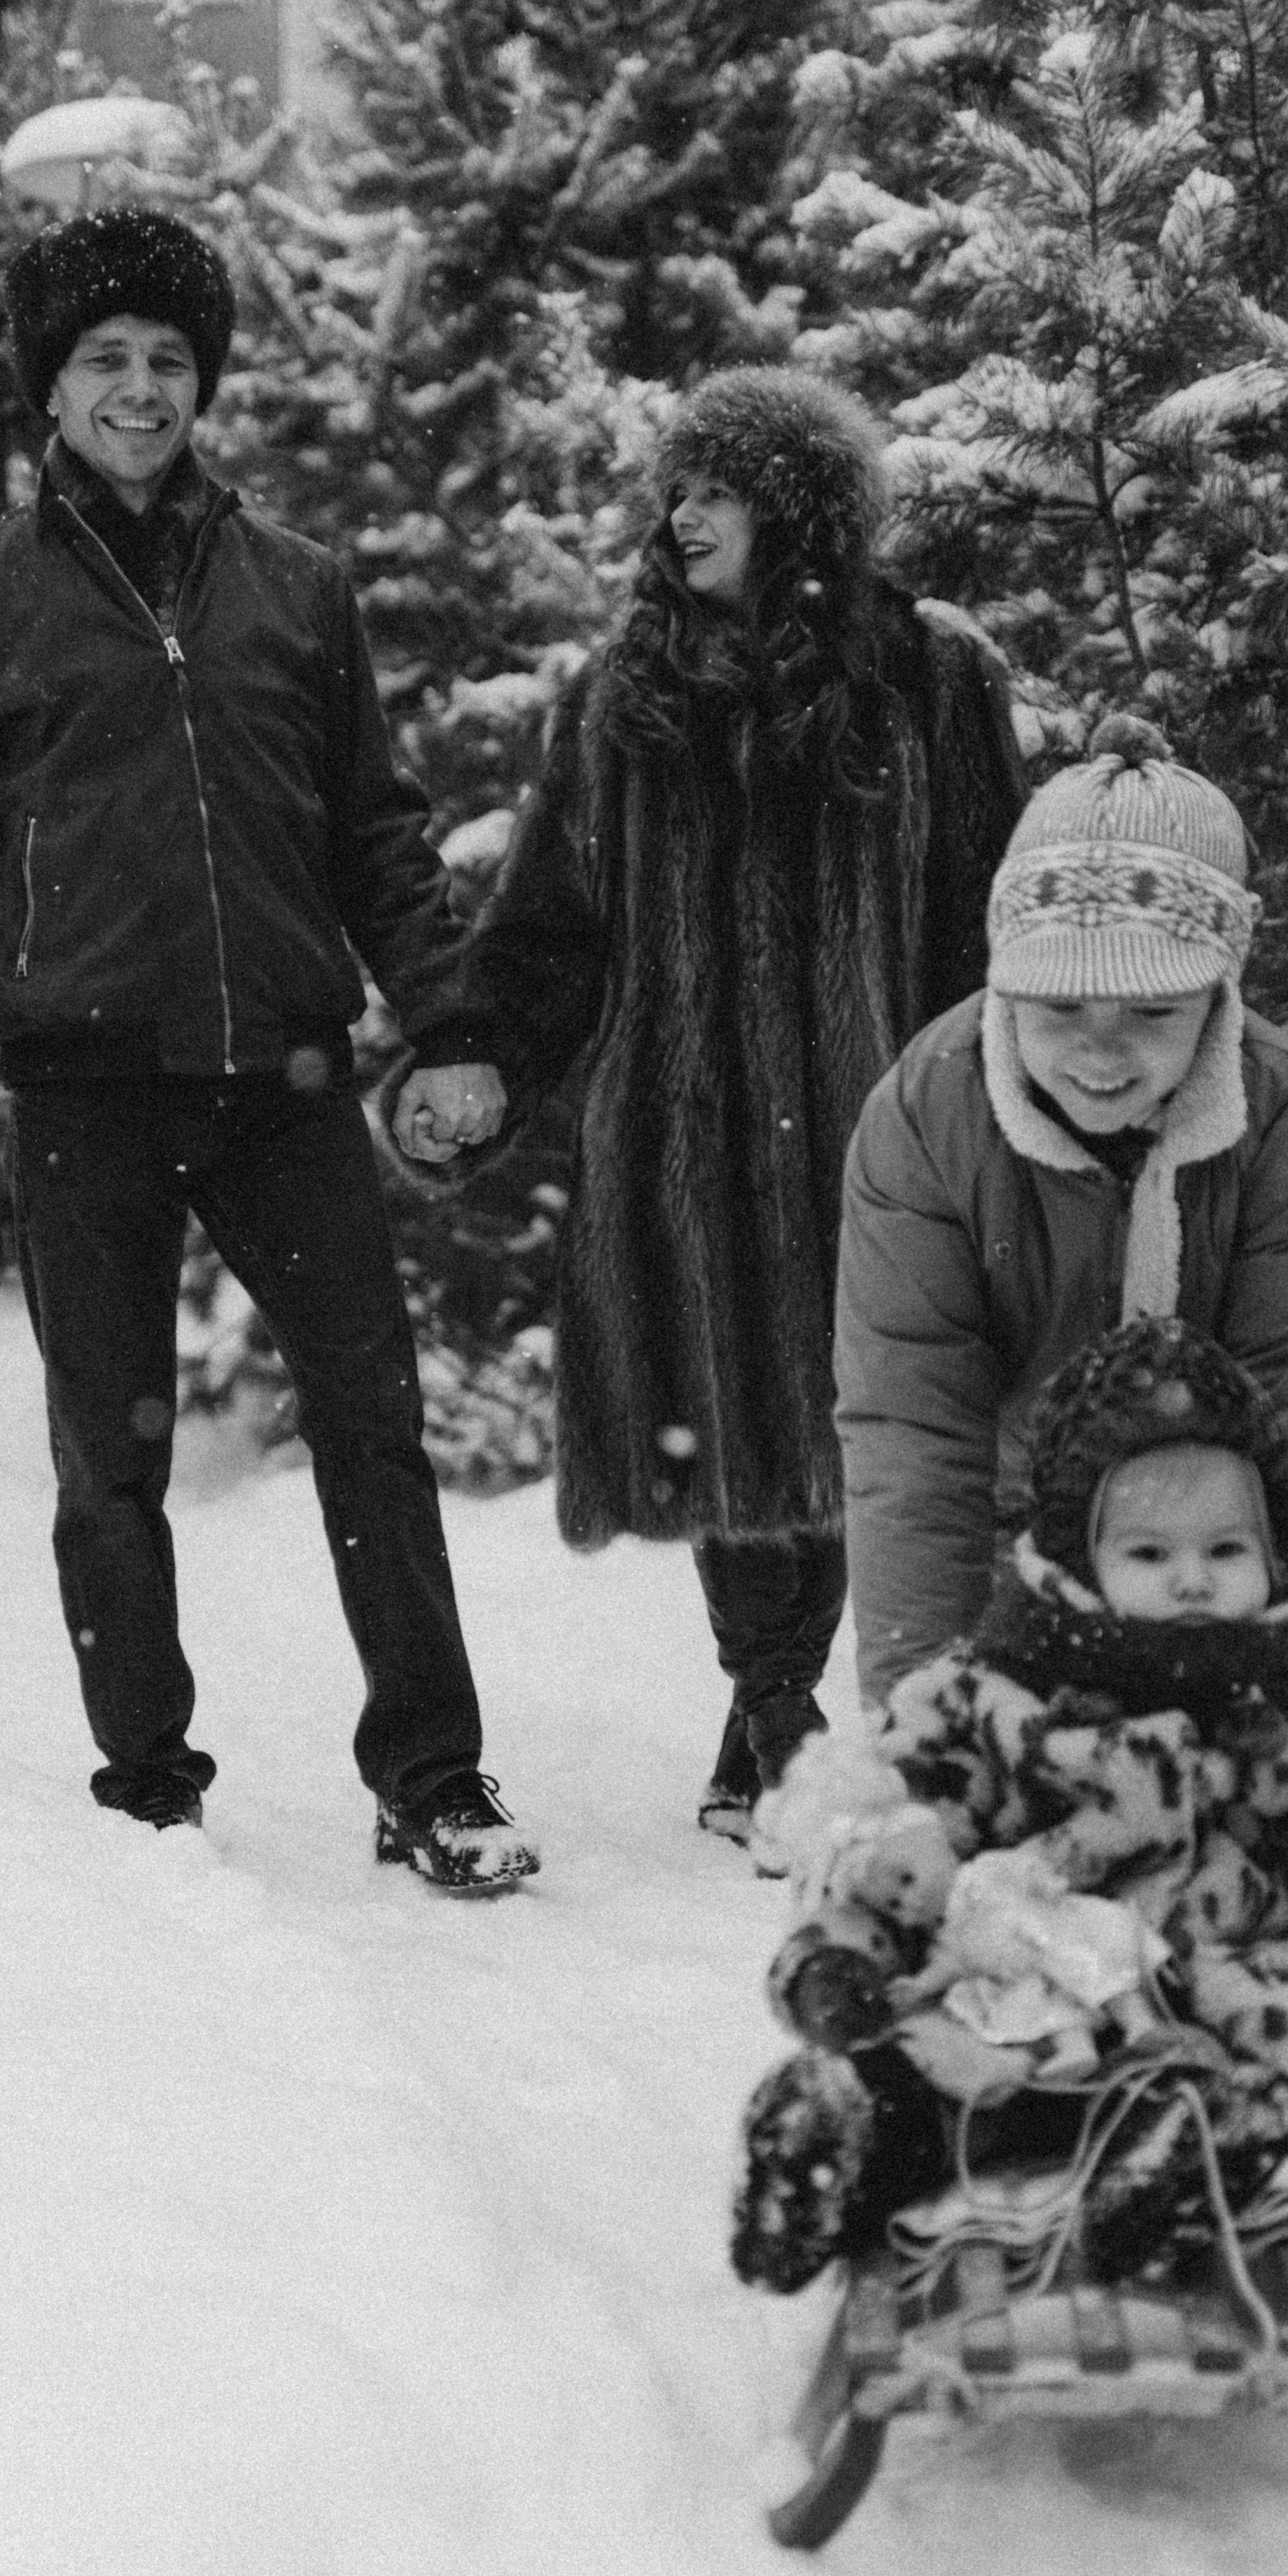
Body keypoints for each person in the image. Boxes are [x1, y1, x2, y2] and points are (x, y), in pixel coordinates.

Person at [0, 207, 537, 1895]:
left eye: (169, 358)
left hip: (285, 1083)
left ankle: (434, 1778)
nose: (141, 389)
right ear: (50, 386)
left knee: (371, 1423)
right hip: (83, 1091)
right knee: (112, 1453)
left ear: (204, 380)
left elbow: (378, 834)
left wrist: (448, 1023)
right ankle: (148, 1789)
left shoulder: (295, 589)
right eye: (105, 359)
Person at [417, 366, 1025, 1839]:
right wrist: (476, 1059)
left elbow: (983, 919)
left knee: (852, 1424)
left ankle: (780, 1717)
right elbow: (549, 931)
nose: (681, 518)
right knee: (719, 1419)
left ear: (796, 509)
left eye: (716, 492)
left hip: (878, 1139)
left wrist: (991, 1118)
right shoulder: (619, 697)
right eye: (674, 493)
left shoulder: (932, 679)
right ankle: (772, 1714)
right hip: (678, 1140)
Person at [730, 1319, 1288, 2294]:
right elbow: (895, 1847)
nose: (1193, 1577)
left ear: (1275, 1554)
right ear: (1080, 1555)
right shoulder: (992, 1700)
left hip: (1203, 2016)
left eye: (1226, 1548)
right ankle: (841, 2139)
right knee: (933, 2066)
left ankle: (1185, 2164)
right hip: (1021, 2001)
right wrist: (838, 1958)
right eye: (1150, 1552)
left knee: (1245, 2061)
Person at [834, 709, 1288, 1712]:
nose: (1101, 1050)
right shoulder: (926, 1114)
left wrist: (1283, 1684)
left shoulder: (1276, 1111)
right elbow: (914, 1433)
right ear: (1007, 989)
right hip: (1002, 1516)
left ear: (1219, 996)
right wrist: (920, 1703)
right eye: (1061, 1008)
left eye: (1153, 1011)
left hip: (1196, 1537)